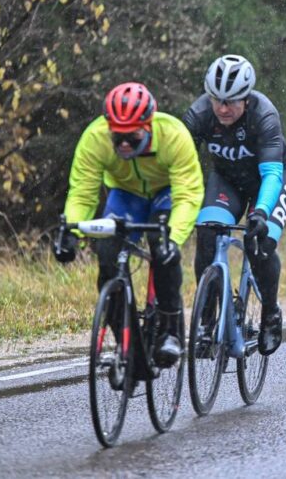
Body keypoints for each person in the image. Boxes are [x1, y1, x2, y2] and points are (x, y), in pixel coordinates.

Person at [54, 82, 204, 366]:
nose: (123, 143)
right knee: (107, 259)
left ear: (149, 126)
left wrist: (175, 239)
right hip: (125, 197)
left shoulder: (173, 135)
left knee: (163, 252)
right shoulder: (95, 137)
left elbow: (188, 193)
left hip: (166, 195)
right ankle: (128, 343)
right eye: (117, 135)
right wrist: (72, 232)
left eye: (133, 135)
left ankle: (170, 331)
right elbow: (83, 191)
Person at [183, 55, 286, 356]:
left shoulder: (264, 114)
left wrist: (260, 212)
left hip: (268, 180)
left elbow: (271, 174)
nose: (222, 108)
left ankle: (270, 311)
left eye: (231, 101)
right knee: (207, 234)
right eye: (216, 100)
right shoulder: (199, 113)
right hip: (227, 181)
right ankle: (206, 321)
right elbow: (180, 165)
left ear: (246, 98)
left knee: (260, 242)